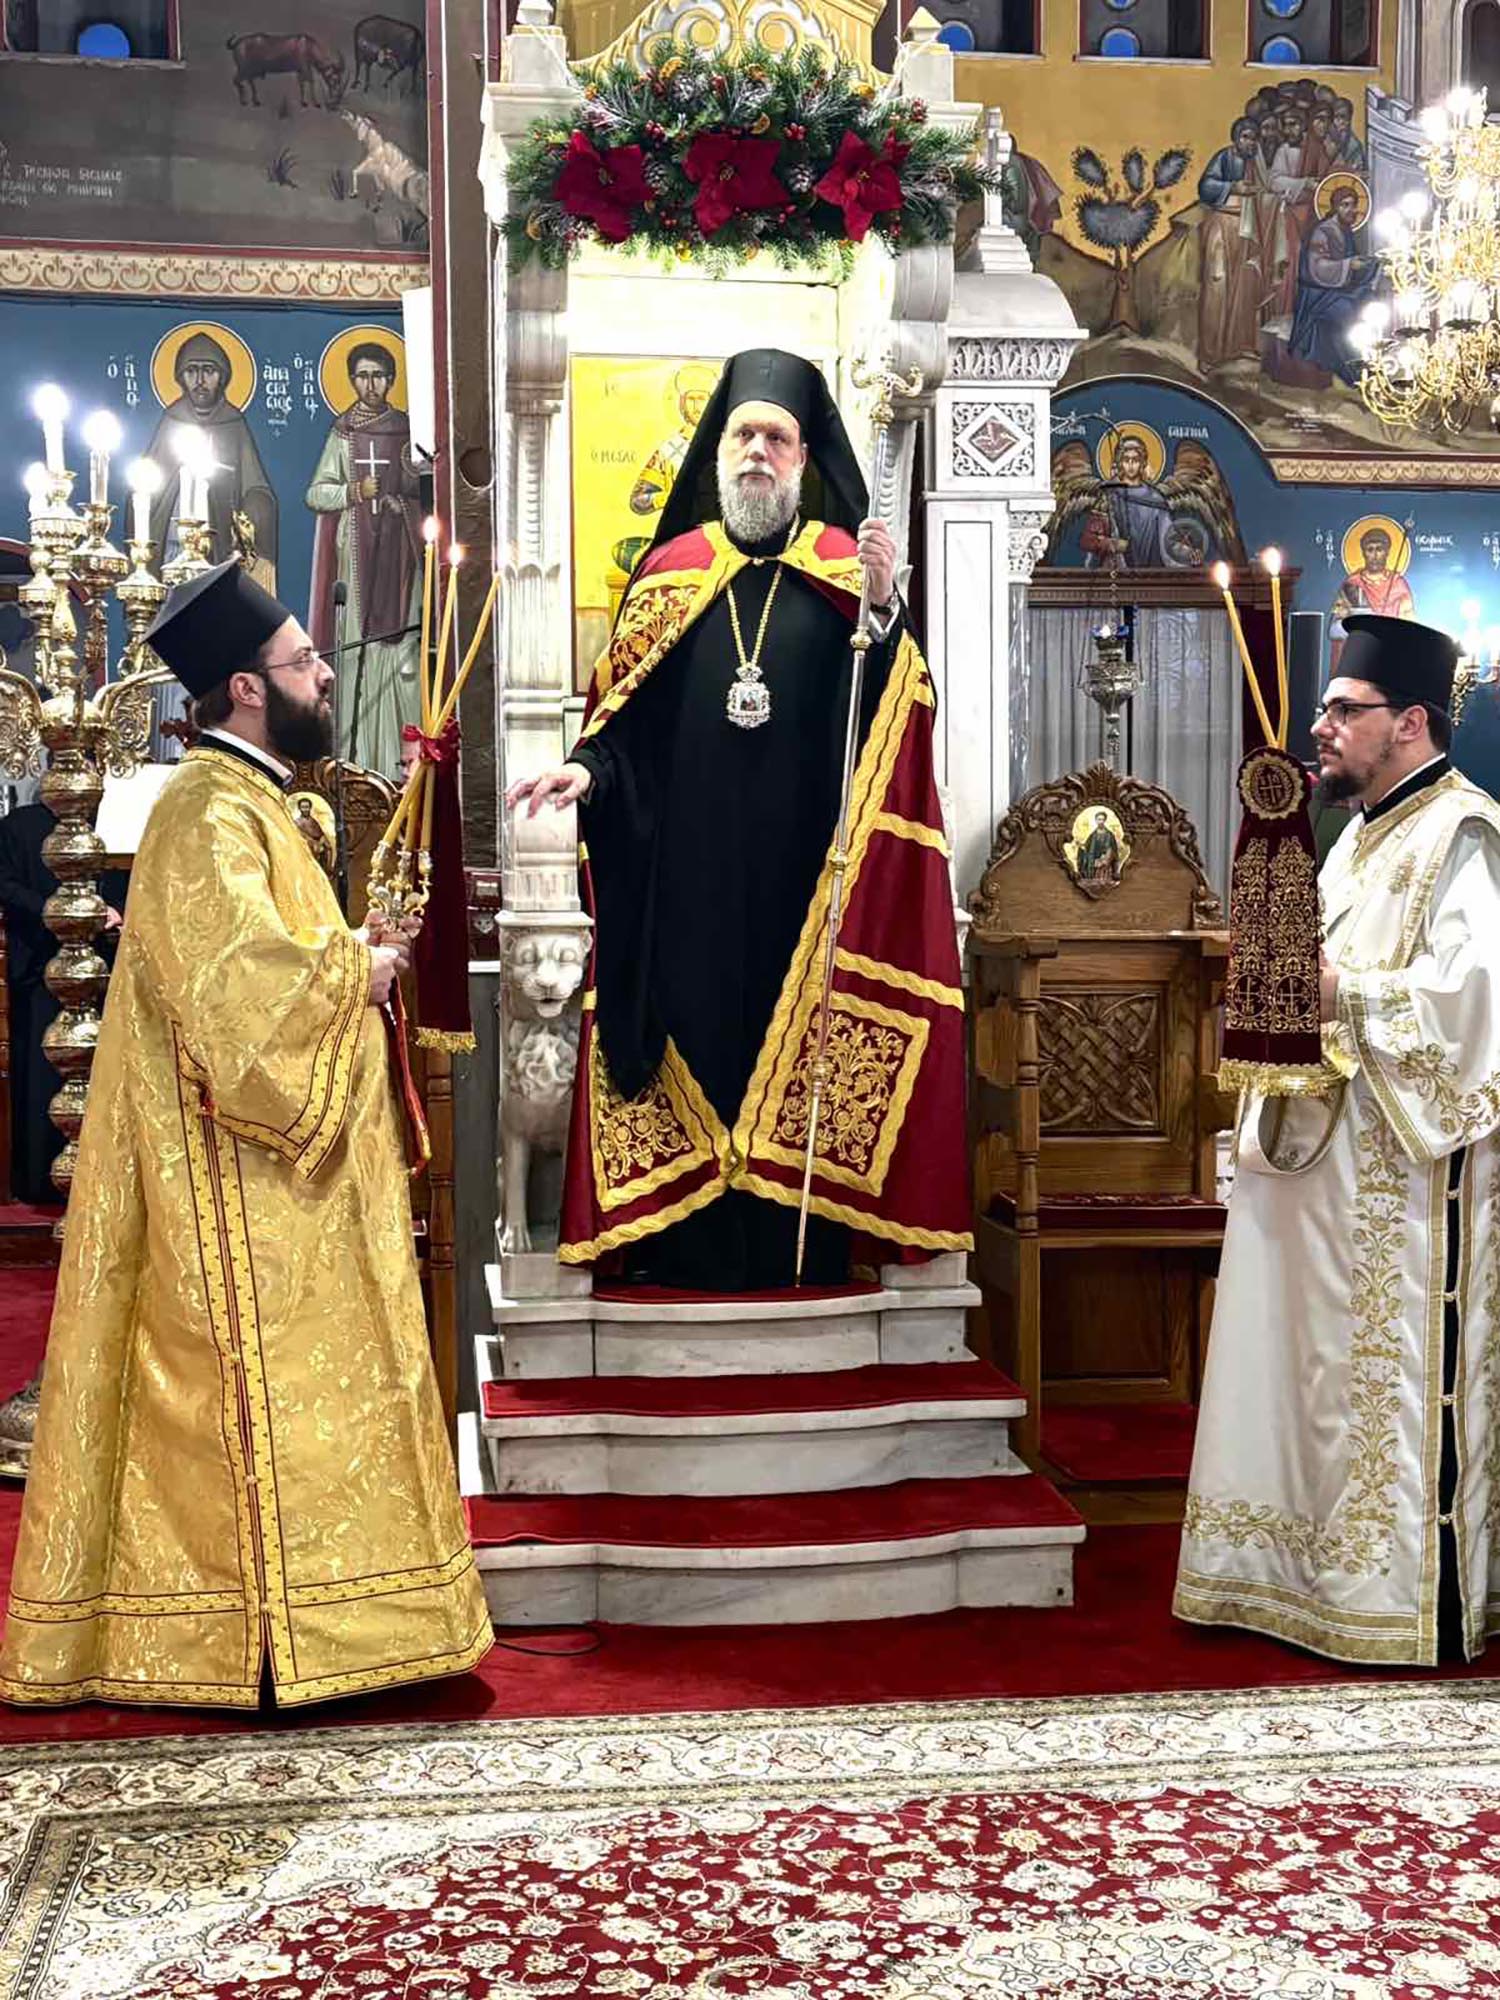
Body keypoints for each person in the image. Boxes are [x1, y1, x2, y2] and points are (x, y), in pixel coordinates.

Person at [0, 559, 491, 1710]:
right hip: (236, 1184)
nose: (325, 674)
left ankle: (350, 1618)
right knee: (237, 1401)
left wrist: (358, 948)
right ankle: (255, 1636)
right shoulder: (206, 811)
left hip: (287, 1183)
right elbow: (239, 1003)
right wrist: (353, 968)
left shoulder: (258, 801)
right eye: (303, 661)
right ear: (247, 686)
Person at [507, 348, 971, 1291]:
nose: (759, 452)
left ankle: (803, 1256)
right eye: (744, 436)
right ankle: (679, 1255)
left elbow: (898, 716)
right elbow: (624, 726)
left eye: (778, 439)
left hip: (807, 889)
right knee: (697, 1042)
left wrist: (884, 612)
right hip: (691, 887)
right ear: (717, 453)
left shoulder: (847, 575)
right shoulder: (670, 574)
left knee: (797, 1056)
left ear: (804, 460)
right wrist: (586, 771)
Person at [1177, 613, 1500, 1665]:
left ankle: (1390, 1597)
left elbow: (1472, 1008)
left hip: (1396, 1196)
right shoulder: (1357, 835)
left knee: (1362, 1395)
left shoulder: (1464, 836)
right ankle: (1295, 1578)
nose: (1319, 727)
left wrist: (1333, 993)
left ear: (1411, 722)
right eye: (1324, 708)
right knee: (1302, 1382)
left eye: (1343, 709)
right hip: (1320, 1171)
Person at [306, 340, 423, 777]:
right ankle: (357, 767)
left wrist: (401, 502)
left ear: (391, 380)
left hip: (401, 560)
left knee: (403, 658)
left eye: (378, 376)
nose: (370, 385)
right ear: (352, 381)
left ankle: (403, 765)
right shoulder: (343, 432)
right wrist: (355, 491)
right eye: (362, 376)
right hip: (356, 565)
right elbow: (317, 493)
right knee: (358, 655)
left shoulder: (408, 429)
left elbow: (425, 491)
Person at [0, 803, 128, 1203]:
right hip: (40, 966)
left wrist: (115, 912)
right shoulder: (20, 825)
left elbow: (131, 879)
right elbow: (5, 884)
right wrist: (59, 913)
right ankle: (41, 1180)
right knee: (43, 1073)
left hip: (105, 965)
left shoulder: (116, 821)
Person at [146, 331, 278, 582]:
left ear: (222, 377)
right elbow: (147, 492)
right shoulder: (172, 420)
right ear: (180, 377)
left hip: (220, 545)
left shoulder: (233, 423)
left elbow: (256, 487)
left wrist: (254, 511)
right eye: (191, 371)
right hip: (172, 548)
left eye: (208, 371)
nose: (200, 380)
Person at [1287, 183, 1381, 384]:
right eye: (1345, 205)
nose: (1351, 210)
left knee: (1369, 300)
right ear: (1335, 207)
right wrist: (1348, 265)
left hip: (1336, 289)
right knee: (1347, 313)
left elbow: (1350, 263)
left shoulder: (1345, 231)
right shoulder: (1323, 231)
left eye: (1353, 205)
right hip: (1317, 295)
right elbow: (1317, 267)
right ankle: (1355, 374)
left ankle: (1372, 363)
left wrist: (1368, 264)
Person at [1196, 118, 1269, 370]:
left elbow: (1266, 191)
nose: (1250, 142)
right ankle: (1209, 354)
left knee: (1244, 287)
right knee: (1217, 285)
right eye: (1245, 137)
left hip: (1246, 229)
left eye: (1253, 138)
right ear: (1236, 138)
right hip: (1221, 224)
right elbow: (1205, 187)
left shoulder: (1256, 163)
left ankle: (1239, 346)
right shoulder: (1224, 158)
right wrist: (1233, 187)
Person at [1330, 526, 1415, 670]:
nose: (1375, 555)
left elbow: (1410, 629)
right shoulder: (1352, 585)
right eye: (1370, 549)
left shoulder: (1398, 585)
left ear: (1387, 552)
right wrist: (1363, 625)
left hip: (1389, 657)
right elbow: (1334, 630)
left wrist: (1386, 629)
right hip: (1359, 659)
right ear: (1363, 553)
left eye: (1379, 549)